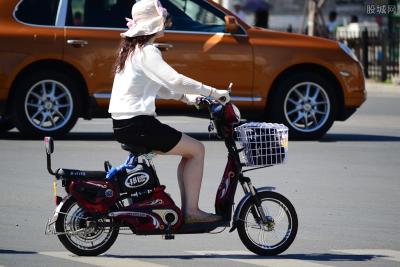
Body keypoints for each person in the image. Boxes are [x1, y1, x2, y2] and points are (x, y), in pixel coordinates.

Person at [109, 0, 230, 224]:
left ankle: (188, 210)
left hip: (126, 124)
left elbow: (162, 88)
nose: (167, 20)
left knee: (190, 151)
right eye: (163, 16)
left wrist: (190, 98)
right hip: (138, 125)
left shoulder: (133, 50)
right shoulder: (148, 51)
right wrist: (214, 92)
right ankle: (192, 212)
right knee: (197, 150)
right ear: (155, 23)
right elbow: (175, 80)